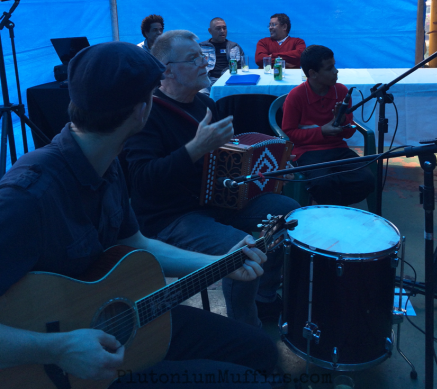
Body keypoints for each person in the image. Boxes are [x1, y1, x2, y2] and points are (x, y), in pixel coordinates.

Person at [0, 41, 279, 388]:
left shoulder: (107, 162)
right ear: (141, 110)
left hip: (121, 325)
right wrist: (57, 348)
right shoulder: (27, 196)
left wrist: (222, 262)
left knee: (260, 351)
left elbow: (136, 243)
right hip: (63, 367)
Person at [124, 30, 299, 329]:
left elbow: (224, 161)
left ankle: (265, 299)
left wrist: (266, 168)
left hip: (216, 201)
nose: (205, 63)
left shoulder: (206, 106)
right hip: (170, 217)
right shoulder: (146, 113)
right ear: (166, 69)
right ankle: (246, 331)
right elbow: (141, 181)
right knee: (241, 252)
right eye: (194, 59)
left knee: (289, 213)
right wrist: (195, 148)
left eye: (202, 56)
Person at [281, 44, 375, 206]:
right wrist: (322, 132)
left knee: (366, 180)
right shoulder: (296, 96)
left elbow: (347, 133)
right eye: (329, 68)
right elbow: (290, 133)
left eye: (334, 65)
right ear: (313, 74)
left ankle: (332, 209)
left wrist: (342, 120)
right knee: (323, 183)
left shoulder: (341, 91)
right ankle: (332, 213)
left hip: (338, 149)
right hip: (306, 152)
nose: (336, 71)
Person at [199, 17, 244, 92]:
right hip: (207, 82)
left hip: (229, 80)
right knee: (201, 94)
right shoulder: (201, 47)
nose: (222, 31)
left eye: (224, 28)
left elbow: (241, 66)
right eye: (218, 28)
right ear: (210, 31)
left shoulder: (234, 47)